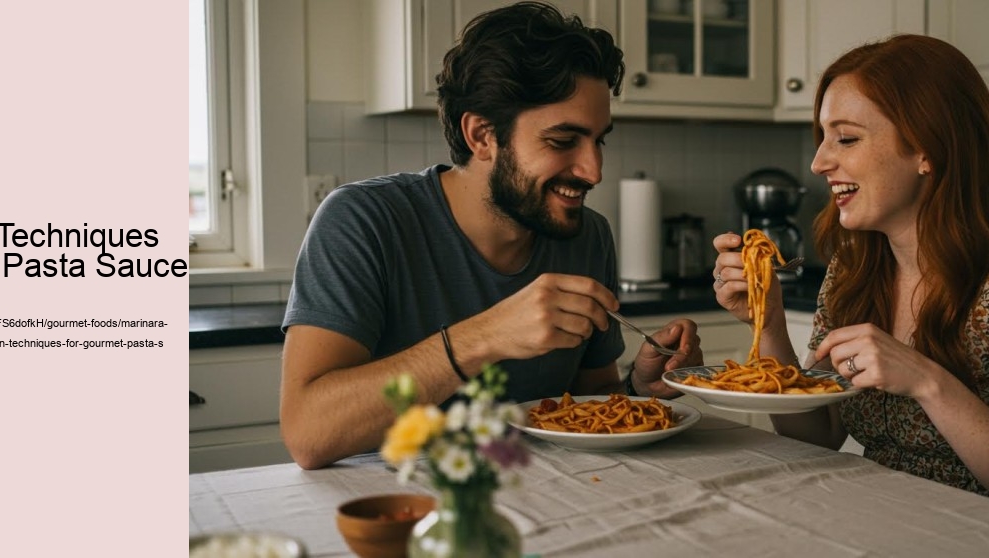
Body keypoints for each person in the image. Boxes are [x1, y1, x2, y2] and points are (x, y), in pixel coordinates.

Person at [280, 1, 701, 470]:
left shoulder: (588, 235)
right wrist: (485, 337)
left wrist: (638, 388)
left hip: (557, 495)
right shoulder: (364, 221)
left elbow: (589, 401)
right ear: (482, 136)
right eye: (563, 141)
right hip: (401, 500)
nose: (593, 171)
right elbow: (308, 434)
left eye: (598, 140)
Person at [711, 34, 989, 514]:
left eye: (847, 138)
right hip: (876, 516)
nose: (819, 162)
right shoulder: (855, 268)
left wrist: (926, 381)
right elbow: (819, 433)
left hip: (984, 532)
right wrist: (769, 323)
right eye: (823, 136)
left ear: (927, 148)